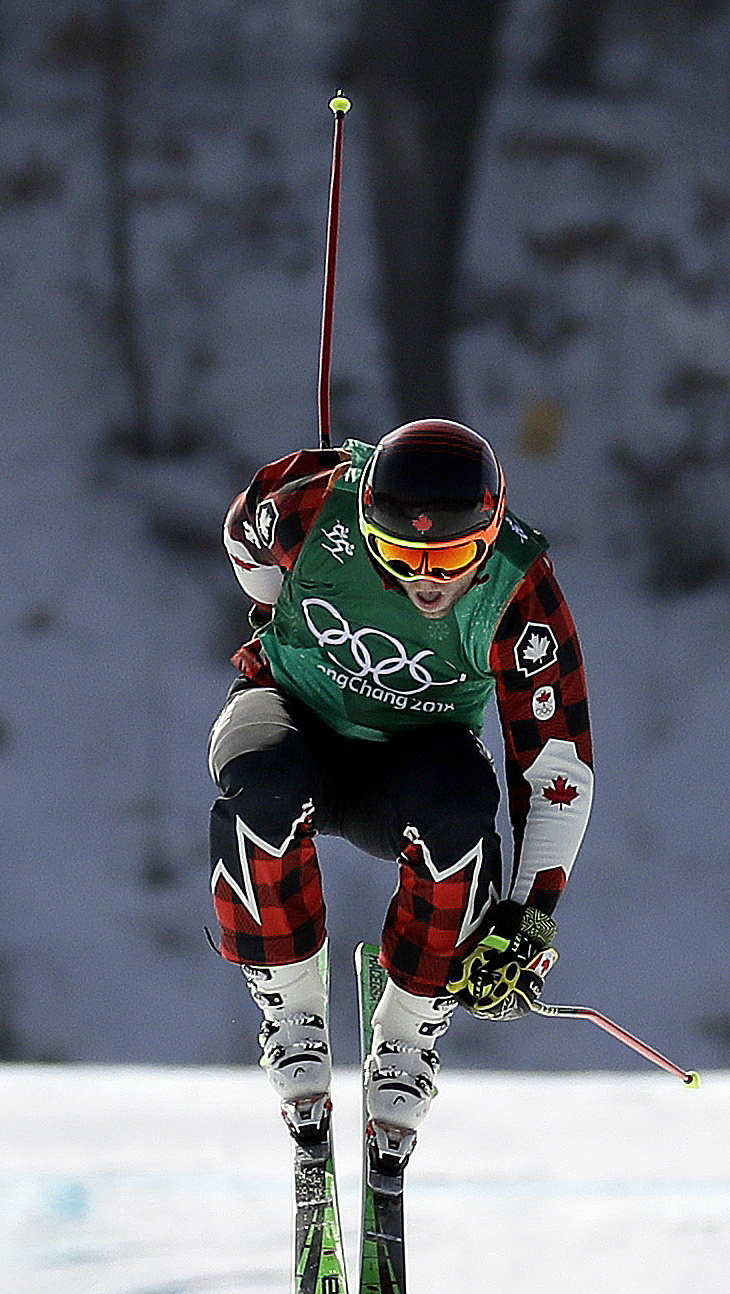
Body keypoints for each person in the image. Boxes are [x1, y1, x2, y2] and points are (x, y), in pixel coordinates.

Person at [208, 418, 595, 1161]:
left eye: (450, 556)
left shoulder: (519, 592)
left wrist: (531, 916)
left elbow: (557, 771)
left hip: (411, 764)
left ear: (486, 535)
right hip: (293, 716)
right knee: (260, 782)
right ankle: (293, 1014)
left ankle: (410, 1031)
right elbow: (243, 538)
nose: (426, 576)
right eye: (399, 552)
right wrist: (276, 604)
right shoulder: (314, 502)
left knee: (460, 804)